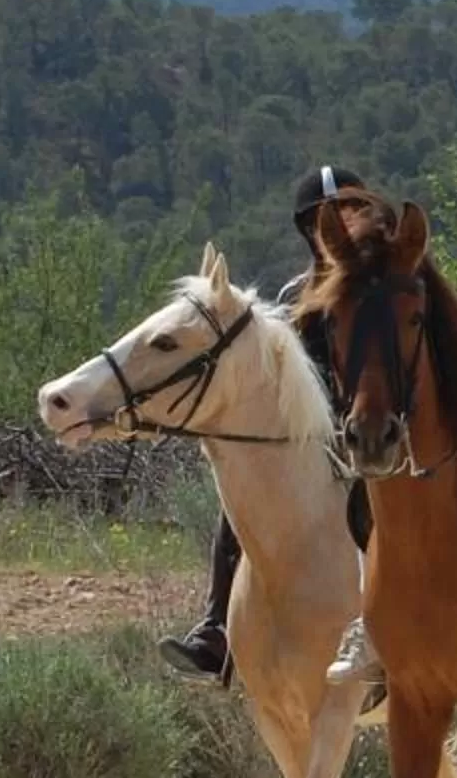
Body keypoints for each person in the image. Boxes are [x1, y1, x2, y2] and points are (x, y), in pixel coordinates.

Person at [160, 164, 382, 685]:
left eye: (349, 211)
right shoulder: (293, 299)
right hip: (308, 443)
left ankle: (392, 633)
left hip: (371, 435)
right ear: (310, 229)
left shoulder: (385, 289)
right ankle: (216, 627)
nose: (339, 224)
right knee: (235, 509)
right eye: (326, 217)